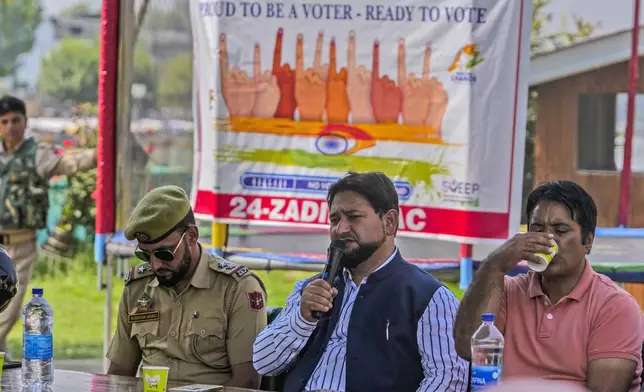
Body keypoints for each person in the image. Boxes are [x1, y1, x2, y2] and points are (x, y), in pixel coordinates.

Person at [253, 171, 469, 392]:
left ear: (389, 222)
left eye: (353, 217)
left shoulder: (429, 298)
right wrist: (302, 320)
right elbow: (264, 363)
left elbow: (448, 380)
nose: (341, 229)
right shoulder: (311, 290)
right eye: (335, 219)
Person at [454, 180, 644, 392]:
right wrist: (494, 265)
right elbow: (466, 348)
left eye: (560, 231)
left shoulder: (614, 306)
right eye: (537, 230)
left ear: (587, 241)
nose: (547, 241)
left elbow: (604, 389)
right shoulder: (506, 291)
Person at [106, 185, 267, 388]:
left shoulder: (237, 288)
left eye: (165, 254)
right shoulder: (138, 287)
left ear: (191, 236)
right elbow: (119, 373)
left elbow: (246, 382)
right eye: (146, 255)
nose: (155, 265)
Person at [0, 95, 97, 356]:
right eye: (4, 121)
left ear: (25, 122)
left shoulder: (37, 155)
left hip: (20, 248)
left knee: (5, 313)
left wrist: (98, 154)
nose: (10, 127)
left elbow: (69, 162)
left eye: (15, 120)